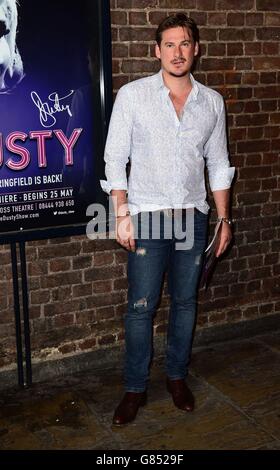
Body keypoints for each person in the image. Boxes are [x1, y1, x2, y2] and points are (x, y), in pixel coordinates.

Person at [101, 13, 235, 426]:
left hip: (193, 216)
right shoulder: (133, 95)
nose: (178, 52)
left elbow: (218, 164)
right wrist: (120, 214)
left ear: (196, 49)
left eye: (185, 44)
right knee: (141, 306)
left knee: (186, 302)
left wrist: (224, 219)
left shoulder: (211, 102)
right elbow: (114, 158)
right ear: (157, 50)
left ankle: (177, 377)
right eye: (169, 45)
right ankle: (135, 387)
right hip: (146, 216)